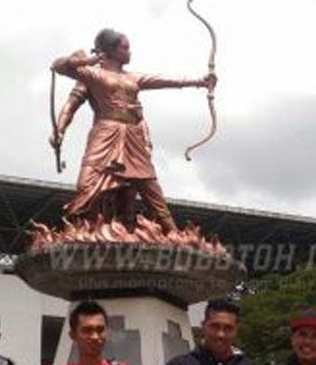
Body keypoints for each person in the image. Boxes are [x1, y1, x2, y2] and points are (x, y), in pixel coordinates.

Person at [50, 28, 216, 233]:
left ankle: (174, 234)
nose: (129, 52)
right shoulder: (91, 74)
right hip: (105, 133)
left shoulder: (133, 78)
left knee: (150, 187)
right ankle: (81, 231)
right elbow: (58, 66)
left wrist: (199, 82)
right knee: (86, 185)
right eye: (125, 47)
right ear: (110, 50)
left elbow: (165, 80)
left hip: (133, 136)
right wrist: (59, 130)